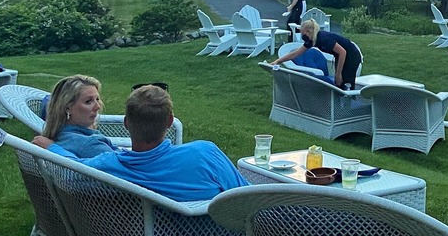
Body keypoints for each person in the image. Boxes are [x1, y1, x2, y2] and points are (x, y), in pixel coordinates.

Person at [36, 85, 247, 202]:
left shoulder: (110, 166)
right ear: (170, 122)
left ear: (126, 124)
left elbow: (72, 167)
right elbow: (247, 198)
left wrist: (51, 147)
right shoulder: (204, 153)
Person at [271, 19, 363, 90]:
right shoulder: (312, 41)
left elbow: (343, 52)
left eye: (303, 33)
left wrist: (338, 73)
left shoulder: (323, 38)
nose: (302, 36)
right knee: (338, 82)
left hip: (351, 56)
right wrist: (278, 61)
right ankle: (339, 105)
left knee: (345, 81)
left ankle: (348, 103)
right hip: (341, 56)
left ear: (308, 32)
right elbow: (295, 53)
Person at [38, 75, 115, 158]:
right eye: (88, 101)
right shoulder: (89, 145)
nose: (98, 107)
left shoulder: (59, 137)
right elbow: (125, 169)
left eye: (97, 99)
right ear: (68, 108)